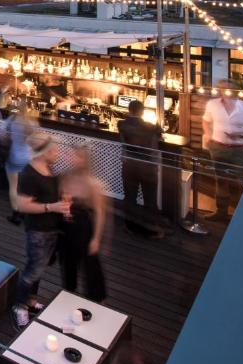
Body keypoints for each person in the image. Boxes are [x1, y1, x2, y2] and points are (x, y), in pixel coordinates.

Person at [13, 133, 71, 327]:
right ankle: (20, 307)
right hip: (37, 230)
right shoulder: (29, 173)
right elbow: (22, 205)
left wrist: (63, 202)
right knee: (32, 270)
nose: (57, 153)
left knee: (39, 268)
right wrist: (51, 207)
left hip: (51, 229)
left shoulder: (50, 169)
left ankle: (30, 301)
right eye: (53, 149)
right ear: (44, 152)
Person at [201, 79, 243, 221]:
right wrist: (208, 134)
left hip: (241, 150)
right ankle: (221, 212)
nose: (224, 91)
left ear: (235, 90)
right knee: (221, 180)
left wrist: (240, 134)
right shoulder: (212, 104)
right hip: (218, 147)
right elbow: (206, 120)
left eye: (228, 88)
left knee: (241, 182)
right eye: (222, 88)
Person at [58, 145, 107, 302]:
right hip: (66, 227)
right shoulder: (64, 177)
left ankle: (96, 299)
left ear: (85, 161)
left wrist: (96, 239)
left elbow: (99, 212)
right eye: (72, 156)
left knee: (90, 265)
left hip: (84, 228)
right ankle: (69, 291)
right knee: (67, 261)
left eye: (77, 157)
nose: (73, 159)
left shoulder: (93, 184)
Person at [117, 99, 163, 235]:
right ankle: (151, 228)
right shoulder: (151, 127)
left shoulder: (121, 124)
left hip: (129, 165)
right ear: (142, 112)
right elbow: (160, 135)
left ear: (129, 110)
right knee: (150, 199)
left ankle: (130, 225)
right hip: (147, 167)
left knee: (130, 197)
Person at [3, 101, 35, 225]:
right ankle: (25, 211)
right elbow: (33, 140)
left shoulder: (11, 120)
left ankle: (16, 213)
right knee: (25, 186)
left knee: (13, 186)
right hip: (27, 157)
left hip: (13, 156)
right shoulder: (30, 124)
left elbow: (3, 134)